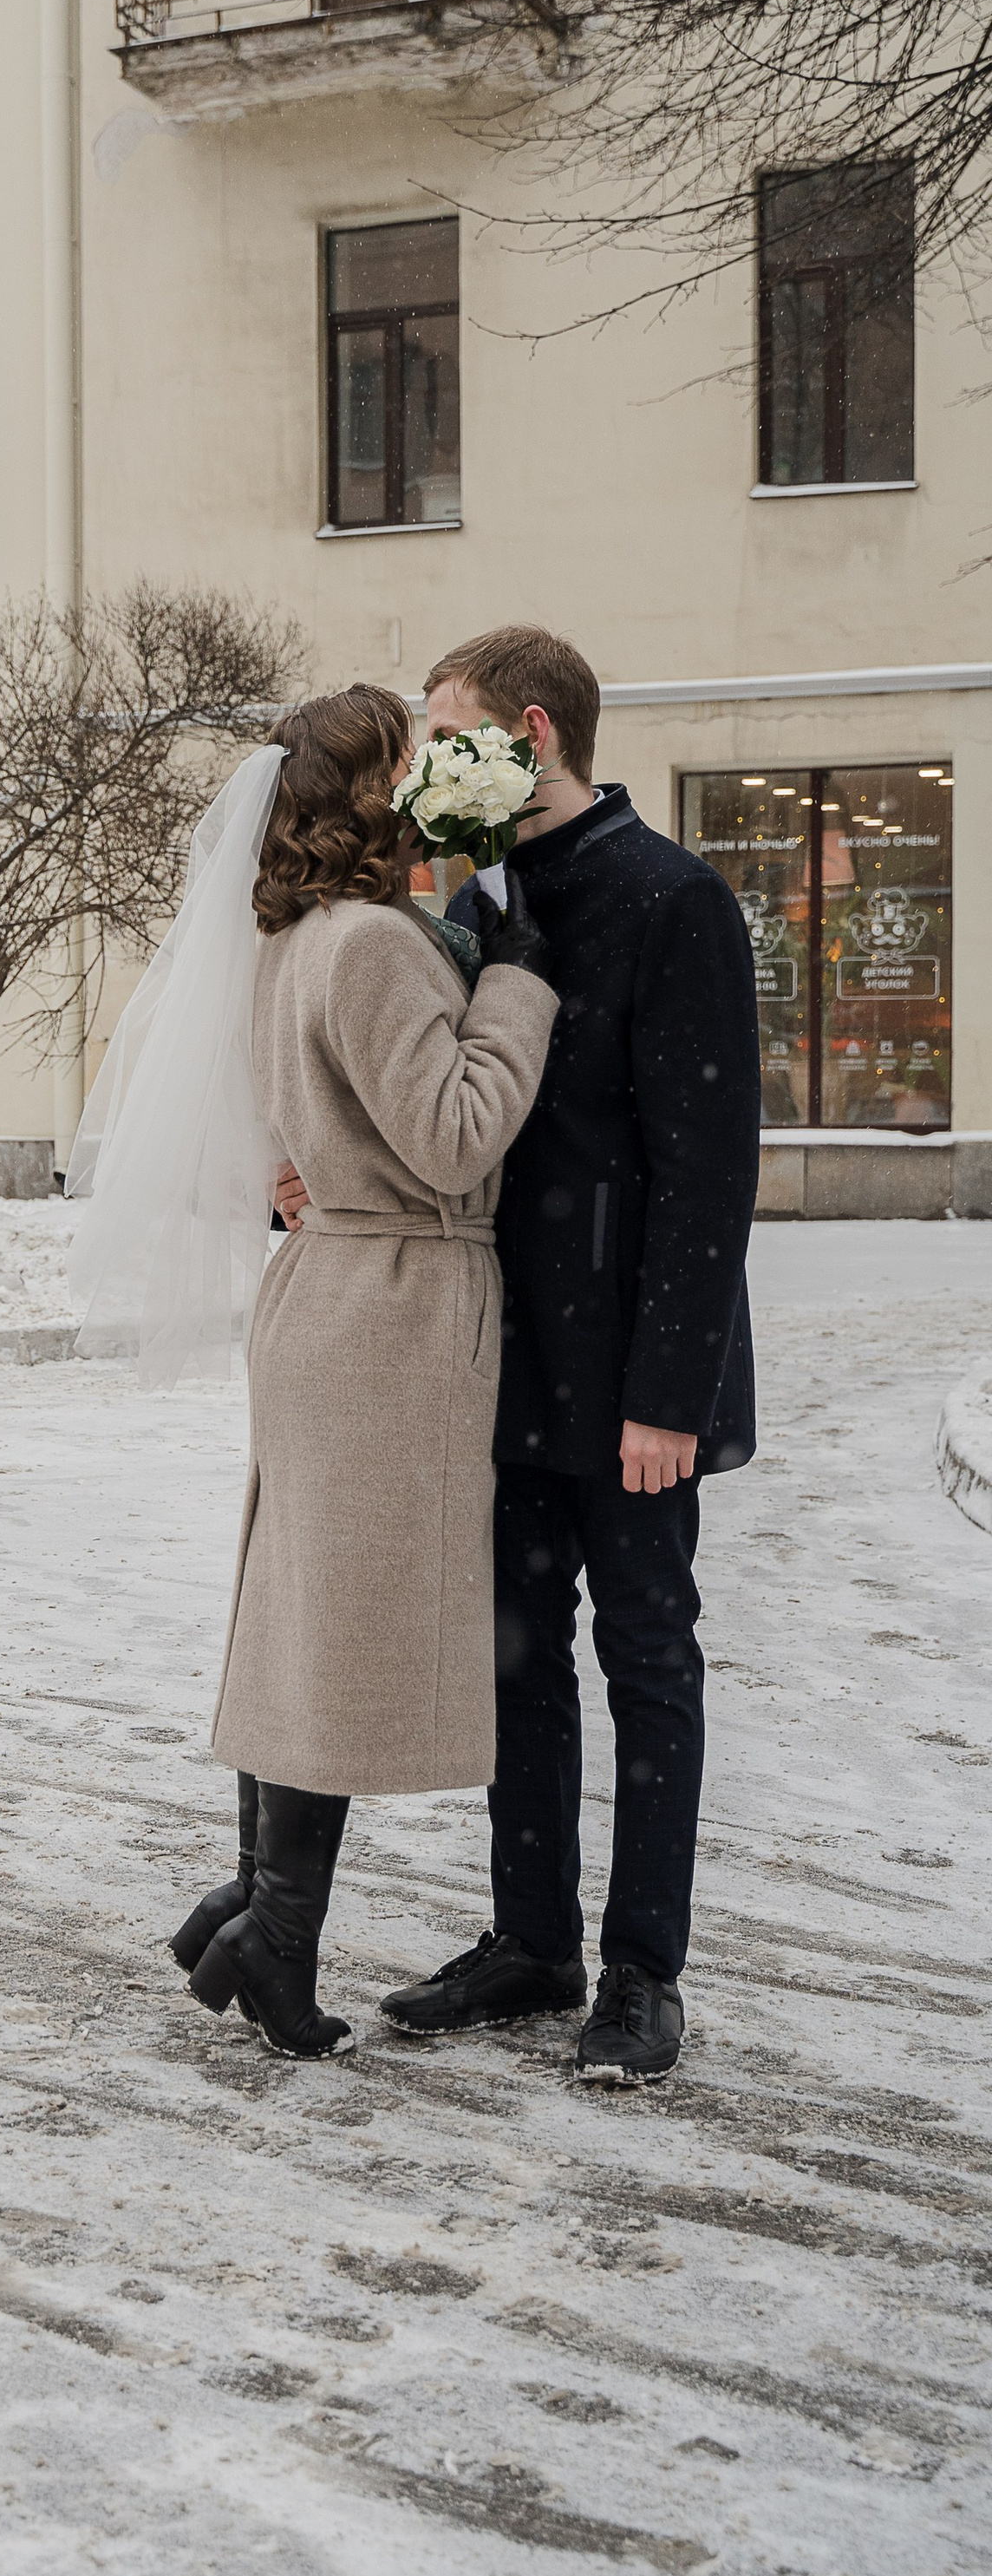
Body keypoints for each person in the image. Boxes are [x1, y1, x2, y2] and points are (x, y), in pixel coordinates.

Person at [297, 624, 760, 2086]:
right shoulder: (475, 895)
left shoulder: (675, 900)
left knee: (646, 1662)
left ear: (533, 734)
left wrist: (669, 1398)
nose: (429, 770)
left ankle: (641, 1972)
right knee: (516, 1669)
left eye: (451, 739)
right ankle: (532, 1939)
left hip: (631, 1377)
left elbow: (709, 1170)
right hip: (491, 1363)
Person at [68, 687, 558, 2059]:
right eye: (411, 765)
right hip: (392, 1311)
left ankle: (257, 1915)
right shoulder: (371, 948)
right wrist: (515, 984)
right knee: (339, 1633)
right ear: (372, 792)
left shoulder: (285, 938)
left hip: (331, 1297)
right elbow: (456, 1135)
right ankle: (274, 1929)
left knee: (300, 1615)